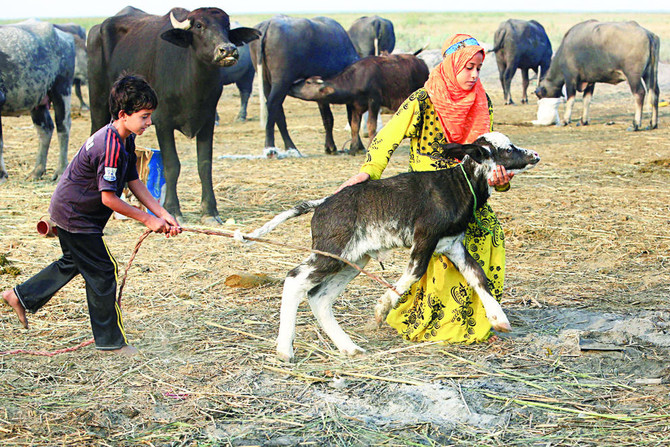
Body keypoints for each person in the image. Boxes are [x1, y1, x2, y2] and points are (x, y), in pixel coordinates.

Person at [337, 34, 513, 344]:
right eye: (468, 67)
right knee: (438, 238)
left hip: (466, 195)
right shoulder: (422, 100)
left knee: (487, 232)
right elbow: (387, 137)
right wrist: (368, 171)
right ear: (450, 66)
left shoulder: (483, 103)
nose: (473, 75)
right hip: (427, 195)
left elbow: (490, 157)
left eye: (479, 68)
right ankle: (435, 323)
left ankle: (478, 321)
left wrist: (501, 182)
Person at [2, 74, 181, 355]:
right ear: (124, 114)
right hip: (77, 218)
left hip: (72, 212)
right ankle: (110, 343)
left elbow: (133, 180)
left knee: (73, 262)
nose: (149, 123)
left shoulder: (124, 138)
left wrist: (161, 212)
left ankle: (20, 296)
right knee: (102, 272)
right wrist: (147, 219)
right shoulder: (108, 146)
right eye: (145, 117)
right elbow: (108, 198)